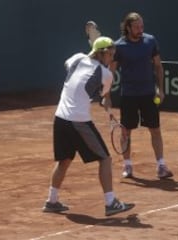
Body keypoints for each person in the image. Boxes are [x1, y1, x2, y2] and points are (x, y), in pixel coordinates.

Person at [43, 36, 135, 216]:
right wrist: (104, 97)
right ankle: (110, 203)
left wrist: (88, 61)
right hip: (78, 121)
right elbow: (104, 96)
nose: (112, 57)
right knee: (105, 159)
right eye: (110, 54)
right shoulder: (106, 74)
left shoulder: (77, 58)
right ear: (103, 53)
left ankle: (51, 201)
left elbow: (66, 65)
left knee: (64, 160)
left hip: (60, 118)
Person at [110, 12, 174, 179]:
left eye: (142, 26)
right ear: (128, 27)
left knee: (155, 130)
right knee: (126, 132)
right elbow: (111, 71)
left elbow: (158, 67)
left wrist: (160, 89)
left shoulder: (150, 41)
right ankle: (128, 165)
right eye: (137, 27)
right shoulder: (119, 46)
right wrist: (106, 94)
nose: (140, 29)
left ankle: (161, 165)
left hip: (148, 94)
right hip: (129, 95)